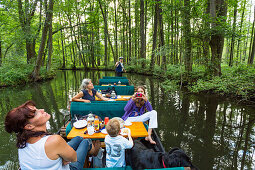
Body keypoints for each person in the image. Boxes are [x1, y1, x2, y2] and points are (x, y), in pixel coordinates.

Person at [4, 100, 101, 170]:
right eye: (36, 113)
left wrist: (62, 157)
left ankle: (89, 149)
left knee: (78, 138)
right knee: (85, 141)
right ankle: (94, 151)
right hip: (70, 167)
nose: (42, 110)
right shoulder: (54, 140)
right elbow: (74, 158)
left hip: (52, 154)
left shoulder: (22, 142)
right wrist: (64, 159)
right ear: (29, 126)